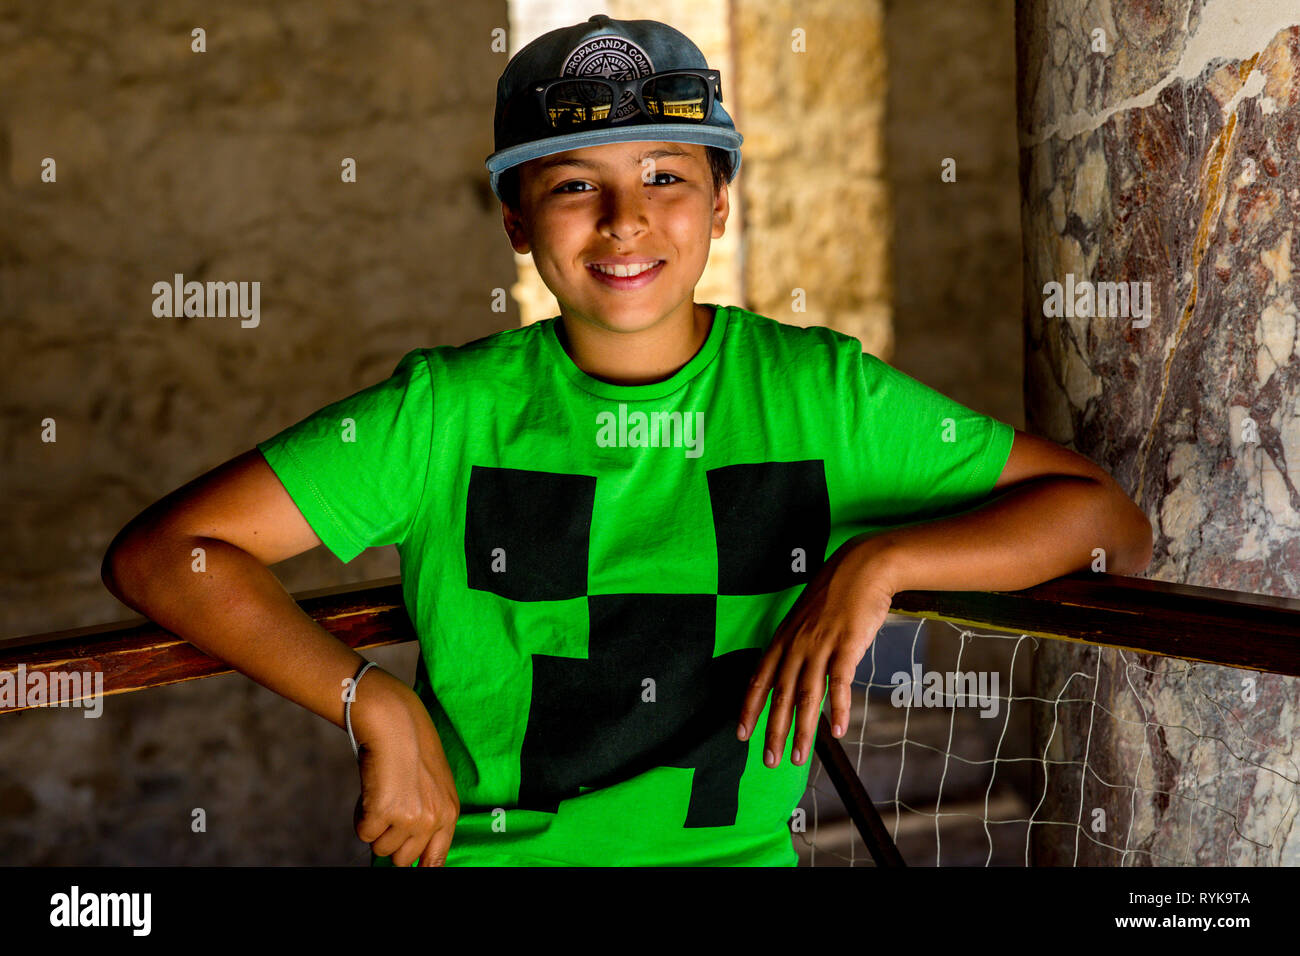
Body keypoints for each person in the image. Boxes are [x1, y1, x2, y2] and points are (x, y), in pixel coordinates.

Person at [101, 14, 1153, 868]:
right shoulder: (445, 411)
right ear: (517, 222)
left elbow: (1107, 523)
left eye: (663, 176)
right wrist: (368, 697)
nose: (623, 220)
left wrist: (882, 561)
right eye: (571, 184)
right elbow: (166, 556)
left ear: (720, 202)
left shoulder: (818, 394)